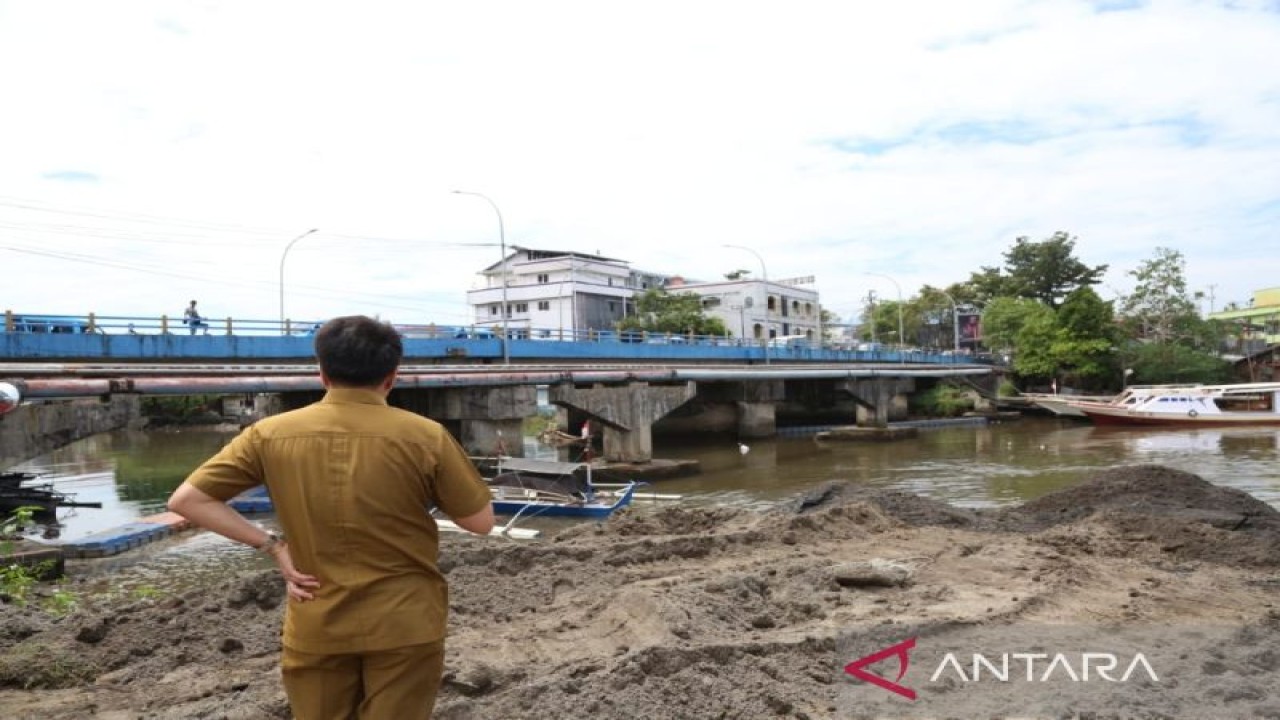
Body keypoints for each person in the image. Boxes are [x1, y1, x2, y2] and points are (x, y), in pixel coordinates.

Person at [167, 315, 495, 719]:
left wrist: (273, 546)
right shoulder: (426, 436)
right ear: (392, 376)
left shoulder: (268, 435)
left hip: (316, 617)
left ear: (321, 372)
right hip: (405, 620)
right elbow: (480, 523)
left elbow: (188, 500)